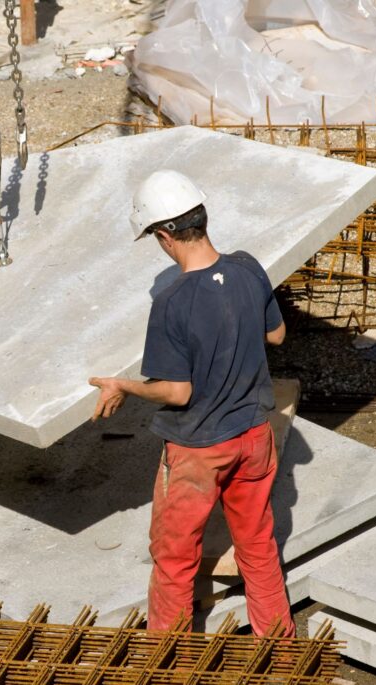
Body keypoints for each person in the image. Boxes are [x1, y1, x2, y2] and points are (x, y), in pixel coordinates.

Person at [88, 170, 294, 637]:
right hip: (254, 437)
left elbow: (176, 392)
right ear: (202, 217)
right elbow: (276, 334)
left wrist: (124, 386)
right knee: (258, 547)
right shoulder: (247, 267)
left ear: (164, 236)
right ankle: (281, 652)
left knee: (176, 558)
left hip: (199, 450)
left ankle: (170, 664)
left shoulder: (172, 301)